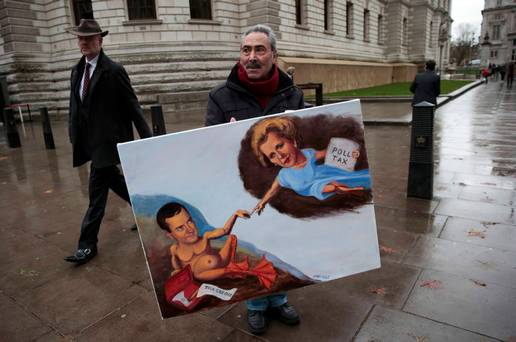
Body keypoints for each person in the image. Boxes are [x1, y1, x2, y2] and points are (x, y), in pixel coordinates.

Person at [205, 24, 304, 335]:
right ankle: (256, 304)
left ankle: (279, 298)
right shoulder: (220, 97)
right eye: (246, 50)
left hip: (282, 186)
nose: (252, 56)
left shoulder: (293, 94)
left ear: (273, 55)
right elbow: (206, 147)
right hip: (243, 189)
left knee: (281, 243)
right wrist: (227, 139)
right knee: (254, 247)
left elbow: (308, 136)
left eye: (259, 50)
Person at [64, 19, 152, 264]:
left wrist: (149, 141)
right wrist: (74, 134)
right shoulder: (76, 70)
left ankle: (87, 245)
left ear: (100, 41)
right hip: (89, 142)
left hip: (109, 142)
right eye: (81, 38)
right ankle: (146, 213)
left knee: (96, 196)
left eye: (90, 38)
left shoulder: (113, 70)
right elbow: (75, 106)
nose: (84, 42)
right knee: (114, 180)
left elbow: (132, 106)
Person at [250, 116, 370, 215]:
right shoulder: (284, 175)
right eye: (272, 155)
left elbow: (325, 152)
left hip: (322, 178)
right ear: (272, 161)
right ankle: (349, 190)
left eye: (280, 146)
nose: (280, 156)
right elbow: (272, 191)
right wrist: (262, 203)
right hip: (313, 188)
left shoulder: (308, 155)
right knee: (329, 187)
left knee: (330, 186)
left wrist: (349, 151)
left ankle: (351, 189)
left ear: (292, 141)